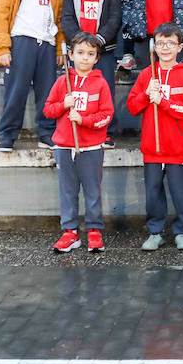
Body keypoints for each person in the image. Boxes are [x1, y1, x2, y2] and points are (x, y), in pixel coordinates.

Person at [126, 22, 183, 251]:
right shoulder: (148, 74)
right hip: (152, 147)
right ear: (154, 46)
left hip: (177, 146)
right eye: (160, 43)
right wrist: (147, 95)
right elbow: (132, 107)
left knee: (180, 193)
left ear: (180, 47)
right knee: (153, 193)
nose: (165, 48)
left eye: (170, 43)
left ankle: (182, 231)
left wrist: (163, 102)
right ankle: (155, 231)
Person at [0, 0, 64, 152]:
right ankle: (7, 136)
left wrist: (60, 46)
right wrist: (3, 47)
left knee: (47, 94)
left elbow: (58, 18)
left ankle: (46, 134)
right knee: (16, 92)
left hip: (47, 44)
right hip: (22, 41)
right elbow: (0, 16)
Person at [41, 32, 113, 253]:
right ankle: (70, 232)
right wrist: (64, 104)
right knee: (68, 191)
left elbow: (107, 115)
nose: (85, 58)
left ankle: (94, 230)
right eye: (80, 53)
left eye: (90, 54)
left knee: (92, 190)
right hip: (64, 145)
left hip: (91, 147)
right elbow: (48, 110)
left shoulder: (101, 84)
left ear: (97, 58)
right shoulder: (63, 82)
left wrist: (84, 120)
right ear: (70, 55)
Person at [59, 0, 122, 98]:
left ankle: (108, 122)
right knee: (79, 92)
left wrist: (98, 39)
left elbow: (115, 19)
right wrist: (80, 41)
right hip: (79, 51)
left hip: (103, 50)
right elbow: (67, 18)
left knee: (104, 91)